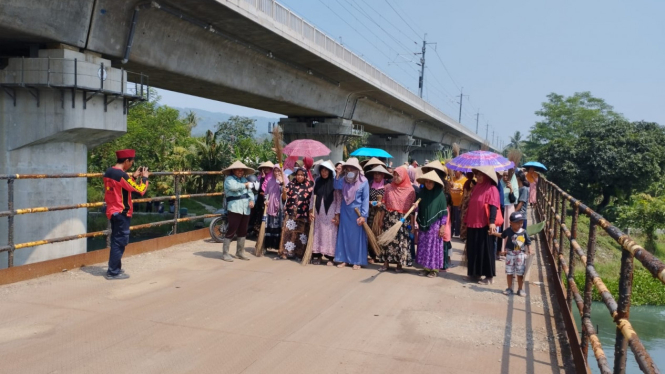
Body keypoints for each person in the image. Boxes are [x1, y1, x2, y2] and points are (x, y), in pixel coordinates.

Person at [103, 149, 150, 280]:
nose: (132, 165)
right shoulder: (121, 175)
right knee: (120, 241)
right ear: (126, 161)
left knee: (116, 240)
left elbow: (123, 187)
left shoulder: (109, 172)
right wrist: (144, 178)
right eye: (131, 162)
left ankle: (115, 268)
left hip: (112, 210)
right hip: (121, 212)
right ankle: (113, 272)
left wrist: (133, 177)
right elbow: (140, 190)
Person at [465, 166, 501, 285]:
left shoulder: (492, 189)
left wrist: (491, 222)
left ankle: (489, 276)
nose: (478, 177)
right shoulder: (476, 188)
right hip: (472, 223)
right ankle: (475, 273)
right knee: (473, 248)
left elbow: (494, 206)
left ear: (487, 176)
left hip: (485, 224)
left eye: (481, 175)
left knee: (486, 250)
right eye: (477, 175)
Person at [334, 158, 370, 270]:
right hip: (345, 210)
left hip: (357, 212)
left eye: (352, 168)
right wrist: (338, 174)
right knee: (344, 235)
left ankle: (357, 260)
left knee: (357, 237)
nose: (350, 170)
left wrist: (364, 215)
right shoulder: (343, 180)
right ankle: (344, 259)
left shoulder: (364, 181)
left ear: (357, 169)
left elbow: (365, 199)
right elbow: (336, 187)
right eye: (348, 168)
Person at [379, 166, 416, 273]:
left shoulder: (410, 190)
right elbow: (384, 205)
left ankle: (399, 264)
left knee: (401, 242)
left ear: (404, 176)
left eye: (397, 175)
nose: (395, 177)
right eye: (394, 175)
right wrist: (381, 220)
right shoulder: (388, 188)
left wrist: (413, 225)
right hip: (389, 219)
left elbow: (412, 210)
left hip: (403, 220)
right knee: (387, 241)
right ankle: (386, 263)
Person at [415, 171, 448, 278]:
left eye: (430, 182)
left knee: (433, 247)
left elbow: (444, 212)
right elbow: (418, 207)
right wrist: (415, 205)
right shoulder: (422, 192)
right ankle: (426, 268)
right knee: (424, 245)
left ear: (435, 183)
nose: (428, 184)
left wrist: (442, 226)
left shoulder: (440, 194)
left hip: (435, 225)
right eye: (426, 182)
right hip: (424, 223)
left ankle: (434, 269)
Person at [222, 161, 256, 262]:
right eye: (238, 169)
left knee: (243, 230)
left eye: (242, 170)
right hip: (234, 208)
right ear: (233, 170)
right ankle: (225, 253)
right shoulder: (229, 179)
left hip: (245, 208)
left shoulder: (244, 180)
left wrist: (252, 201)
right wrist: (245, 185)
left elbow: (250, 192)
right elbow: (233, 187)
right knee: (232, 230)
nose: (240, 171)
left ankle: (240, 252)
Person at [492, 212, 531, 297]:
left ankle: (520, 289)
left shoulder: (524, 232)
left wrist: (529, 251)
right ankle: (509, 288)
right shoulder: (508, 231)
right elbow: (502, 235)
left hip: (520, 254)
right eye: (517, 223)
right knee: (509, 272)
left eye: (521, 223)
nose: (520, 225)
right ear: (511, 223)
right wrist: (494, 233)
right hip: (510, 253)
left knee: (520, 273)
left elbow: (528, 242)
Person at [309, 161, 341, 265]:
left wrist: (337, 214)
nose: (324, 173)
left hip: (330, 210)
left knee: (330, 233)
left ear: (330, 171)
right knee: (318, 232)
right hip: (319, 211)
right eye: (322, 170)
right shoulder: (317, 181)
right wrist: (311, 210)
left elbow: (338, 199)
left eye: (326, 170)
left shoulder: (334, 182)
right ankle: (318, 255)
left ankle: (330, 257)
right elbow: (312, 197)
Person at [278, 167, 314, 260]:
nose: (300, 176)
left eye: (302, 175)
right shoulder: (290, 184)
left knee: (301, 234)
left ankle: (299, 253)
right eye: (298, 174)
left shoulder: (309, 186)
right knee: (288, 233)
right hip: (290, 213)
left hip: (303, 214)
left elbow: (312, 200)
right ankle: (285, 252)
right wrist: (284, 193)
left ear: (305, 175)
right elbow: (284, 199)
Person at [366, 165, 391, 263]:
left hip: (382, 213)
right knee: (371, 233)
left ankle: (381, 255)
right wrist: (370, 202)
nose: (376, 176)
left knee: (380, 233)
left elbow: (389, 200)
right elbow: (366, 198)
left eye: (379, 174)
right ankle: (372, 255)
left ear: (383, 175)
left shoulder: (387, 186)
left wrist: (382, 203)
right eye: (375, 173)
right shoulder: (370, 184)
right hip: (371, 212)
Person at [262, 165, 286, 252]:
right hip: (270, 206)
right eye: (275, 171)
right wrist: (266, 200)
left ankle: (278, 247)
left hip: (280, 206)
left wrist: (282, 183)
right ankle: (268, 245)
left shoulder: (285, 180)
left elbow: (286, 195)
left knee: (279, 226)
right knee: (269, 225)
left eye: (279, 171)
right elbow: (266, 193)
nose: (277, 173)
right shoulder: (270, 181)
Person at [248, 161, 274, 236]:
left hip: (268, 197)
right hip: (260, 197)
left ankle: (264, 232)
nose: (266, 169)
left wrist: (265, 193)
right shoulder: (261, 177)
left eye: (267, 168)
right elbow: (258, 186)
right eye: (264, 168)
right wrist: (262, 178)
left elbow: (270, 188)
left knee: (265, 214)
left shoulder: (271, 177)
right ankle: (257, 231)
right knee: (258, 212)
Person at [502, 170, 518, 257]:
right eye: (503, 176)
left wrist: (511, 189)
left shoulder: (513, 185)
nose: (505, 177)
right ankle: (501, 250)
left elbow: (513, 200)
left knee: (510, 229)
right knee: (502, 230)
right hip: (502, 209)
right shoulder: (500, 184)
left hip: (510, 208)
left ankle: (509, 250)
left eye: (507, 176)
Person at [450, 170, 467, 237]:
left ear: (460, 171)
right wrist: (450, 185)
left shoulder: (465, 180)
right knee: (451, 219)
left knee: (458, 219)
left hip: (459, 203)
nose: (454, 172)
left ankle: (457, 233)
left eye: (456, 171)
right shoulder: (452, 179)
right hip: (451, 203)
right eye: (454, 171)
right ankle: (451, 233)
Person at [459, 171, 475, 241]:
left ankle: (464, 235)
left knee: (465, 220)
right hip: (466, 205)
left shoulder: (472, 183)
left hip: (468, 205)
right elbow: (464, 195)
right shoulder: (467, 183)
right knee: (464, 220)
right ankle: (463, 235)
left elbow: (464, 196)